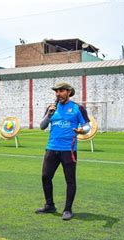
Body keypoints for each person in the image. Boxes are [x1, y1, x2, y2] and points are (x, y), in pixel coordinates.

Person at [36, 82, 90, 220]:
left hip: (69, 150)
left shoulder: (78, 108)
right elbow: (42, 127)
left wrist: (82, 130)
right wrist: (49, 115)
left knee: (70, 180)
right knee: (45, 177)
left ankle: (68, 209)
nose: (58, 94)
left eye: (61, 91)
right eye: (56, 91)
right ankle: (49, 205)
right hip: (52, 148)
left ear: (68, 92)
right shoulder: (51, 108)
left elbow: (87, 126)